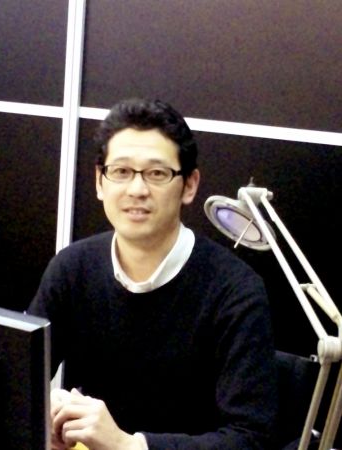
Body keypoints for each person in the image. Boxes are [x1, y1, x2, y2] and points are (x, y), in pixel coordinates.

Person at [27, 98, 278, 449]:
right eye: (121, 171)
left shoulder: (236, 291)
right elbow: (20, 376)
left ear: (189, 185)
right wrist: (42, 414)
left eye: (157, 174)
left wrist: (127, 445)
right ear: (100, 182)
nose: (137, 190)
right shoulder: (72, 268)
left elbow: (250, 439)